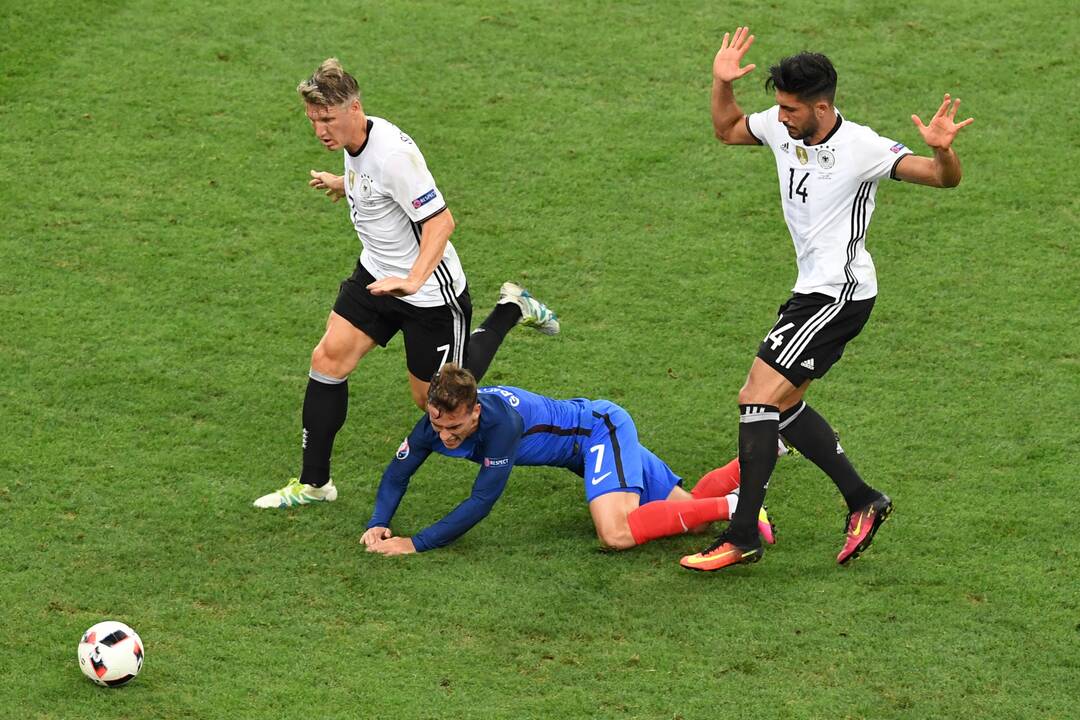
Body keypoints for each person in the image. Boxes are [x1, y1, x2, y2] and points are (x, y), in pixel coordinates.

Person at [681, 28, 973, 571]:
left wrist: (943, 151)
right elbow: (727, 130)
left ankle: (742, 534)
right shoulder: (779, 123)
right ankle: (864, 499)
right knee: (784, 404)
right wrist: (721, 83)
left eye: (791, 109)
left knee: (757, 396)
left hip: (837, 293)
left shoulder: (861, 147)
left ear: (821, 106)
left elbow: (940, 179)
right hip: (810, 289)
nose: (781, 118)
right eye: (779, 107)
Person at [254, 59, 559, 510]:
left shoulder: (393, 155)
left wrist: (414, 280)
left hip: (431, 295)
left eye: (328, 120)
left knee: (437, 399)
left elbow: (441, 221)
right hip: (375, 275)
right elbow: (372, 179)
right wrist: (346, 184)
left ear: (354, 108)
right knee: (327, 359)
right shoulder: (355, 138)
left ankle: (511, 308)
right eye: (314, 119)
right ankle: (315, 484)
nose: (320, 130)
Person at [361, 364, 777, 556]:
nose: (445, 438)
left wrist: (416, 543)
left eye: (454, 428)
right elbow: (399, 473)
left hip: (602, 431)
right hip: (588, 445)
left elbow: (481, 501)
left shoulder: (501, 426)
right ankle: (759, 458)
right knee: (693, 517)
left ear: (475, 412)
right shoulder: (434, 424)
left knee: (615, 533)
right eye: (438, 426)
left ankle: (738, 506)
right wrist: (379, 520)